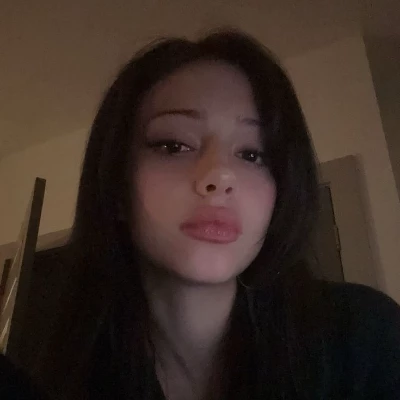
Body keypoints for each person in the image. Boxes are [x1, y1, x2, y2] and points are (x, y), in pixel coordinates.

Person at [1, 28, 400, 400]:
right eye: (173, 146)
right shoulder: (46, 367)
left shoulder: (366, 338)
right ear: (116, 186)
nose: (219, 176)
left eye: (252, 154)